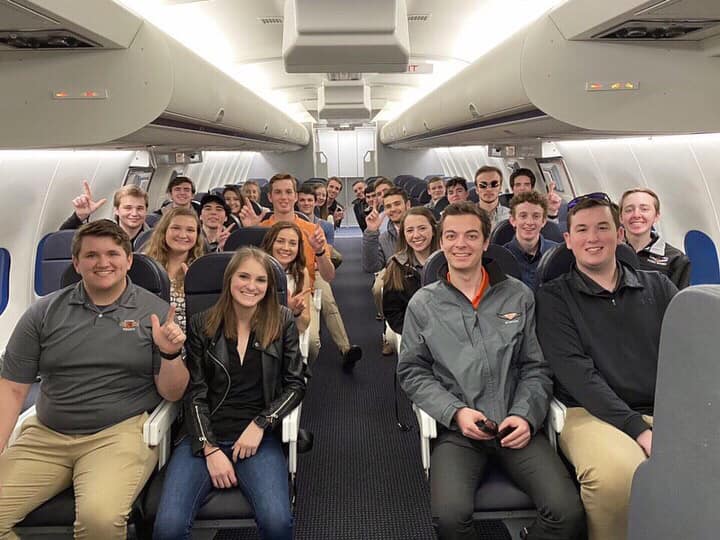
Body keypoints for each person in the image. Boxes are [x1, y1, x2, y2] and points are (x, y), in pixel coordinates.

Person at [398, 202, 584, 540]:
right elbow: (412, 371)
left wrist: (525, 416)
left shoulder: (518, 295)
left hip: (516, 425)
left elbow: (535, 367)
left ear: (486, 243)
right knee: (450, 519)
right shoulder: (424, 304)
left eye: (471, 235)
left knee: (567, 514)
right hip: (460, 431)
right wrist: (455, 413)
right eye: (451, 236)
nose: (460, 244)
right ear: (441, 242)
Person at [0, 220, 189, 540]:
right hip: (46, 435)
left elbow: (173, 392)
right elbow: (13, 387)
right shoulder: (43, 313)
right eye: (91, 255)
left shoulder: (154, 312)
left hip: (119, 434)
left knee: (98, 520)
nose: (103, 263)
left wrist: (170, 354)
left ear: (129, 260)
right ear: (76, 263)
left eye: (113, 254)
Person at [536, 193, 678, 540]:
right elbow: (579, 375)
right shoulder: (553, 298)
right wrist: (639, 429)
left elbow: (688, 350)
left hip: (664, 408)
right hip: (588, 412)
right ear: (568, 242)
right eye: (582, 230)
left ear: (619, 234)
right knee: (618, 478)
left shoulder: (659, 287)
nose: (593, 237)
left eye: (602, 227)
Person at [153, 247, 306, 540]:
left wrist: (261, 423)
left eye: (260, 280)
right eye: (244, 277)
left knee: (277, 522)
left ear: (269, 286)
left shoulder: (282, 320)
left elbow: (296, 384)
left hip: (257, 438)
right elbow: (195, 392)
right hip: (202, 436)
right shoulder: (202, 324)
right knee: (168, 528)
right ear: (229, 280)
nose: (252, 286)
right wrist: (209, 448)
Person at [296, 184, 362, 368]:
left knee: (329, 302)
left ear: (315, 202)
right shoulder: (291, 224)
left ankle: (346, 349)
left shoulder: (325, 226)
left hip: (315, 270)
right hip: (294, 271)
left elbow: (328, 253)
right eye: (302, 200)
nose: (306, 203)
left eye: (310, 200)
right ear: (296, 201)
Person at [144, 207, 205, 331]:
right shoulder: (147, 268)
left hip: (188, 343)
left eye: (190, 230)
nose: (183, 235)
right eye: (176, 228)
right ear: (164, 231)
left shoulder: (202, 270)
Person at [382, 207, 438, 334]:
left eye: (422, 228)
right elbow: (393, 312)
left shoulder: (448, 262)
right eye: (410, 230)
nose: (416, 235)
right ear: (404, 235)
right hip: (413, 334)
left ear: (434, 230)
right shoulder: (396, 265)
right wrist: (415, 335)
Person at [619, 187, 690, 289]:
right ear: (621, 217)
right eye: (629, 210)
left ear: (656, 216)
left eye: (644, 209)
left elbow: (679, 302)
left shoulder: (675, 259)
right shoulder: (609, 252)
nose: (636, 215)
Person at [261, 222, 311, 333]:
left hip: (285, 334)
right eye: (280, 241)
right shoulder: (257, 270)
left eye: (293, 243)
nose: (286, 248)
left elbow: (303, 327)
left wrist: (295, 312)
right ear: (270, 243)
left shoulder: (301, 273)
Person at [60, 182, 151, 243]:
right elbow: (61, 239)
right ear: (116, 210)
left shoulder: (155, 238)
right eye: (128, 208)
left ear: (146, 210)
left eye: (140, 208)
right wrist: (79, 216)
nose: (134, 213)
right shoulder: (102, 234)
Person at [503, 191, 559, 290]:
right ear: (513, 221)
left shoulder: (557, 254)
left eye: (536, 216)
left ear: (543, 221)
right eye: (523, 216)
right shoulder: (501, 258)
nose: (529, 222)